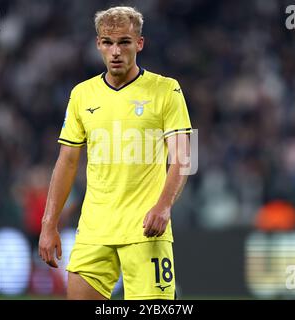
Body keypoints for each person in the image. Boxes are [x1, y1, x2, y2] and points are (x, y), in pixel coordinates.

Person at [38, 6, 192, 300]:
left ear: (140, 44)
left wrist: (163, 206)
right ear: (98, 44)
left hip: (146, 229)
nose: (116, 51)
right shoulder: (82, 94)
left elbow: (184, 157)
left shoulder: (167, 90)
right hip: (95, 229)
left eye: (124, 42)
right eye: (108, 42)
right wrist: (49, 223)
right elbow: (67, 161)